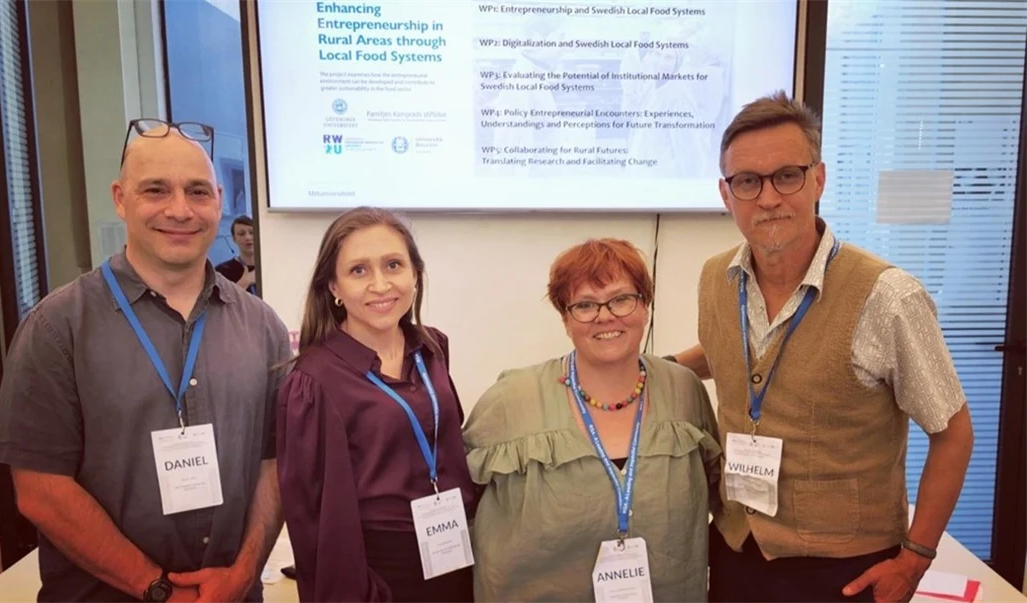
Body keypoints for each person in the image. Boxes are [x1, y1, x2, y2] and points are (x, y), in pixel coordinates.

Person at [668, 91, 974, 603]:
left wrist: (916, 559)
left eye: (786, 175)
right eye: (748, 182)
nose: (768, 198)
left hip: (844, 571)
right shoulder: (715, 277)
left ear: (818, 179)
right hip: (735, 550)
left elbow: (953, 433)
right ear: (727, 195)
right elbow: (729, 347)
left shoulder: (888, 296)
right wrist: (646, 371)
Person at [0, 118, 291, 603]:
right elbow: (41, 489)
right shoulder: (56, 328)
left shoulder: (264, 327)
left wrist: (244, 572)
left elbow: (274, 463)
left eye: (197, 192)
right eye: (155, 190)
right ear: (121, 199)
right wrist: (156, 588)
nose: (179, 209)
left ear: (218, 200)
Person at [463, 238, 721, 603]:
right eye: (585, 305)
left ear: (645, 306)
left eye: (621, 299)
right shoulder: (511, 401)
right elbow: (462, 501)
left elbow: (713, 489)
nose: (605, 316)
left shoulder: (683, 390)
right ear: (565, 319)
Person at [276, 207, 478, 603]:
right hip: (378, 571)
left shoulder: (432, 348)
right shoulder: (314, 382)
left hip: (454, 550)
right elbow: (316, 521)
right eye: (359, 271)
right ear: (333, 286)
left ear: (415, 274)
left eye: (393, 265)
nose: (381, 284)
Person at [215, 215, 257, 295]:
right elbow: (218, 305)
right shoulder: (221, 272)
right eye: (241, 234)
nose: (248, 237)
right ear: (234, 239)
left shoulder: (272, 267)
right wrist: (244, 283)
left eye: (252, 232)